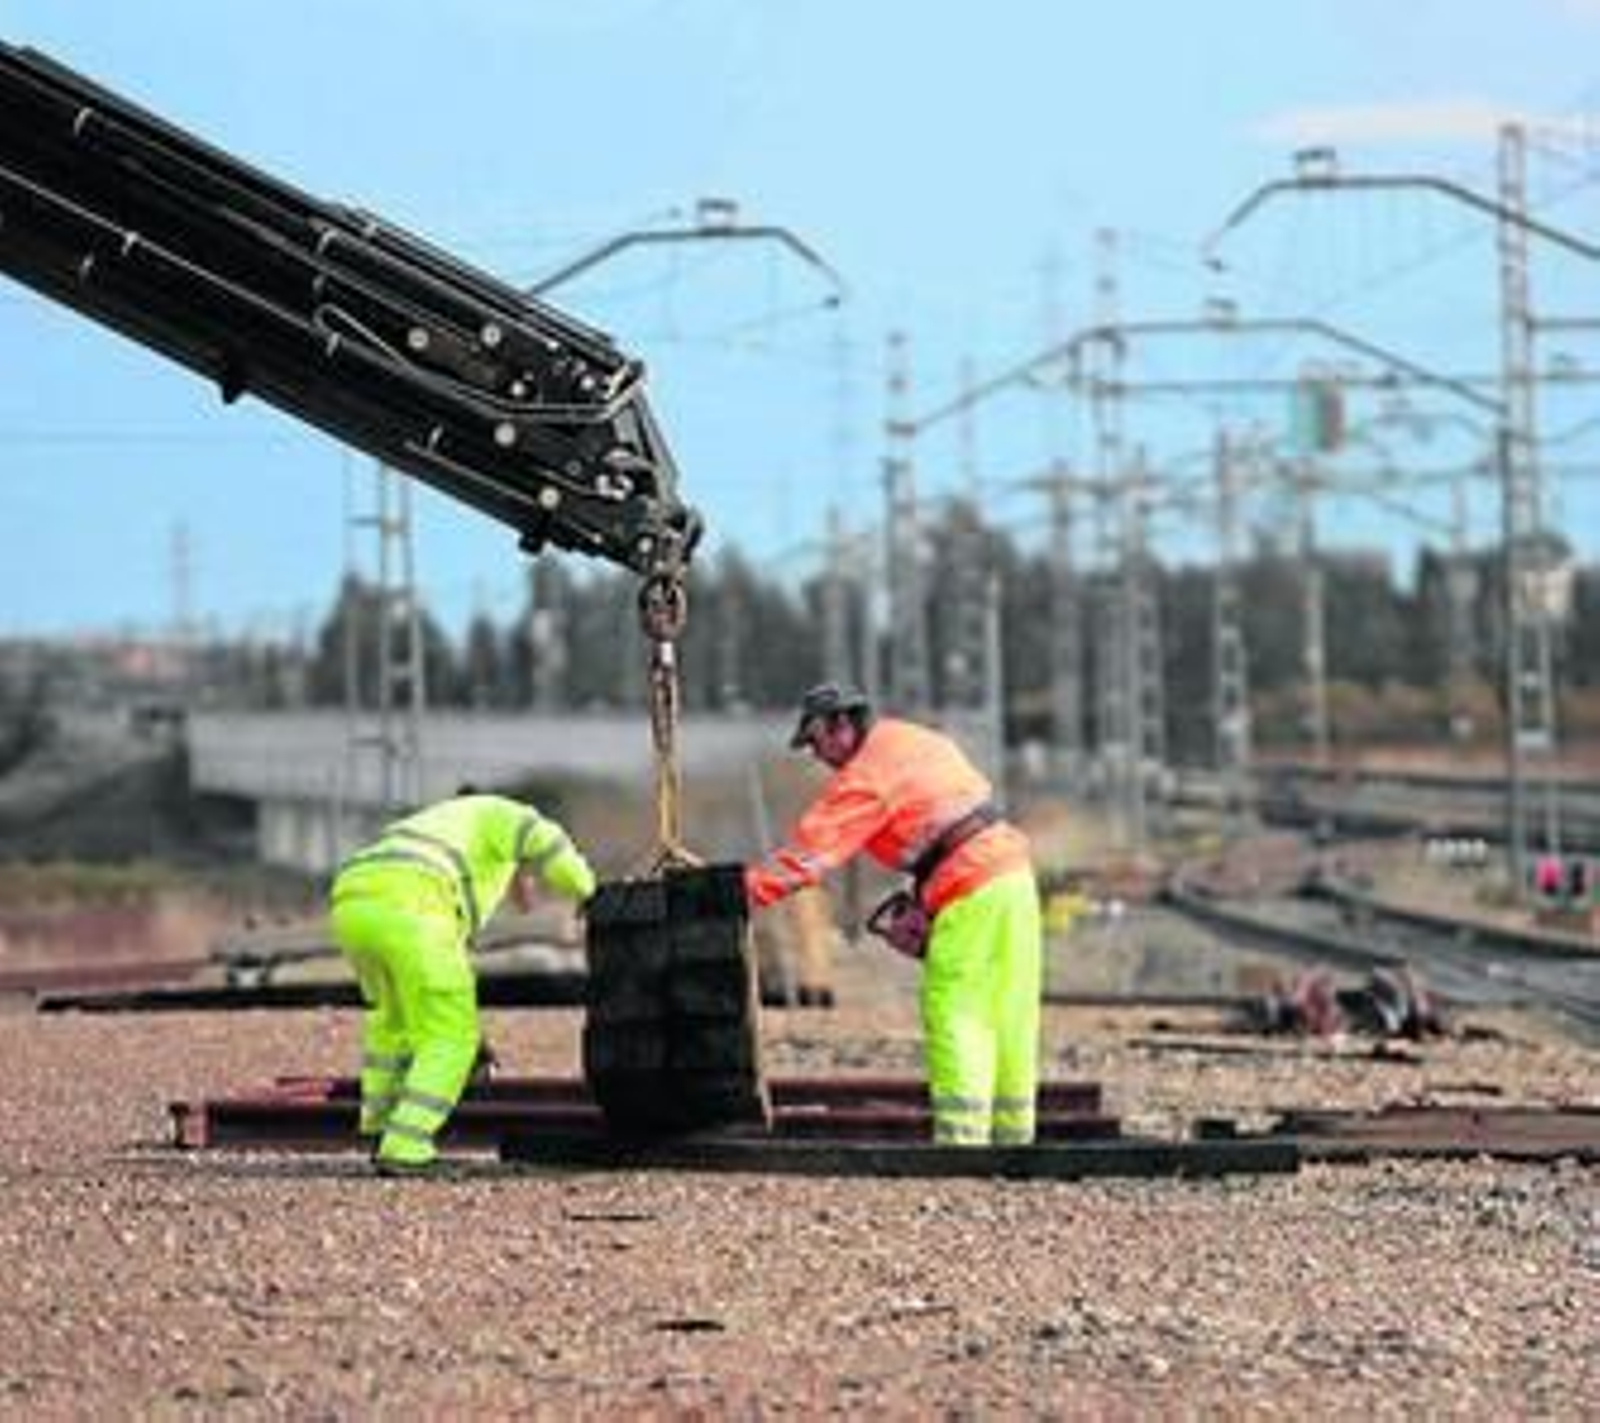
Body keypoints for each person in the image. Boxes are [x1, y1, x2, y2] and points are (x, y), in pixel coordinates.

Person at [745, 683, 1042, 1146]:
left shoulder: (867, 775)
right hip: (1013, 880)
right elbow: (945, 824)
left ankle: (962, 1146)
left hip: (969, 888)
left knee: (957, 1013)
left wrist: (736, 894)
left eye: (815, 741)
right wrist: (923, 895)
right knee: (1010, 1015)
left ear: (841, 725)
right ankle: (1014, 1143)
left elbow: (807, 858)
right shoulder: (912, 740)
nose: (816, 755)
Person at [328, 790, 596, 1175]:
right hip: (413, 904)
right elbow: (549, 841)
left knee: (394, 1023)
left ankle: (381, 1128)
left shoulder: (444, 827)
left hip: (352, 903)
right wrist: (589, 891)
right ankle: (405, 1146)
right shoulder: (506, 814)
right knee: (452, 1037)